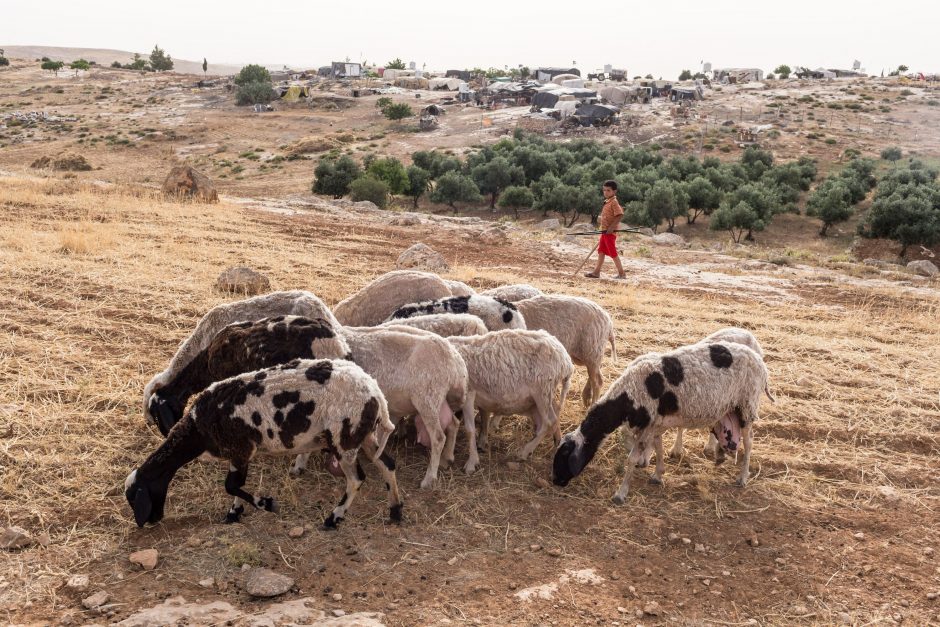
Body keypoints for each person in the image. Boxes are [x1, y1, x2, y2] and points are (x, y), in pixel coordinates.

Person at [584, 180, 626, 279]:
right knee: (601, 251)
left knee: (612, 252)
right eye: (604, 190)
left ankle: (622, 273)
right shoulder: (608, 201)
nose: (605, 192)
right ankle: (596, 272)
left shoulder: (614, 202)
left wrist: (611, 227)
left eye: (608, 190)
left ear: (614, 191)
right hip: (604, 232)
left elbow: (620, 215)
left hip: (609, 233)